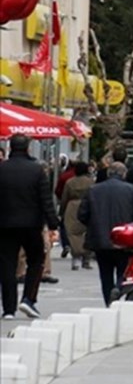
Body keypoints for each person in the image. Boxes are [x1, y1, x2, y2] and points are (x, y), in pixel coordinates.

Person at [0, 135, 60, 319]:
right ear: (27, 148)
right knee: (36, 261)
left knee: (7, 265)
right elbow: (46, 200)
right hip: (32, 224)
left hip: (4, 225)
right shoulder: (37, 170)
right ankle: (28, 299)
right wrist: (53, 225)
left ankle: (8, 308)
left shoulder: (1, 169)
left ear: (10, 148)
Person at [77, 162, 133, 305]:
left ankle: (109, 301)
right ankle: (119, 289)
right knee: (124, 270)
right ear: (124, 174)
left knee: (105, 273)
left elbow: (82, 214)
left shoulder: (94, 190)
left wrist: (94, 225)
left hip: (100, 239)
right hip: (124, 239)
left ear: (108, 173)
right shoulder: (132, 190)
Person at [60, 161, 95, 271]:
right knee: (87, 232)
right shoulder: (91, 182)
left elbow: (64, 197)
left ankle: (75, 257)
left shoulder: (70, 182)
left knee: (73, 233)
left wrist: (61, 212)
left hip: (72, 207)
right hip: (87, 206)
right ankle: (86, 258)